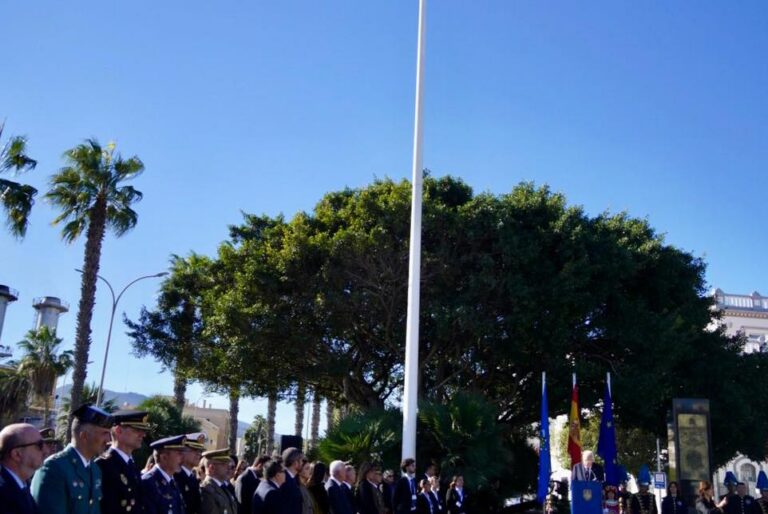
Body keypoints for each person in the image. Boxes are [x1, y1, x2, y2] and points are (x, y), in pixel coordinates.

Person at [31, 404, 113, 514]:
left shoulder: (95, 470)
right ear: (84, 436)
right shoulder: (54, 467)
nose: (108, 440)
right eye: (105, 433)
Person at [96, 410, 151, 514]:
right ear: (118, 431)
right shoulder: (104, 465)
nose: (142, 434)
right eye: (137, 430)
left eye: (143, 430)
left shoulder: (131, 465)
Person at [0, 423, 45, 514]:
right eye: (39, 445)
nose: (45, 451)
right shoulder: (3, 493)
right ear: (17, 454)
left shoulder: (21, 484)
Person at [141, 435, 188, 514]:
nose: (183, 458)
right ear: (164, 457)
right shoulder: (148, 482)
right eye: (179, 453)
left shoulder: (172, 482)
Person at [200, 449, 238, 514]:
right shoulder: (206, 490)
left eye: (228, 464)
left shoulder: (223, 487)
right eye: (224, 464)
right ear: (211, 468)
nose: (228, 467)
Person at [177, 433, 206, 514]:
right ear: (182, 451)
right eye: (194, 450)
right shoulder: (176, 476)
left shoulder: (192, 478)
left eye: (200, 451)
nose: (199, 454)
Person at [282, 447, 306, 514]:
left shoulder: (292, 478)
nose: (302, 463)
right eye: (301, 460)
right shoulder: (284, 480)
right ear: (295, 463)